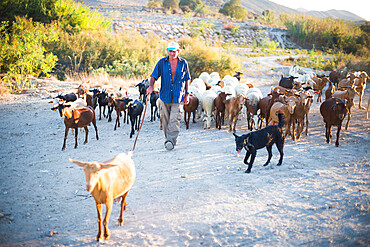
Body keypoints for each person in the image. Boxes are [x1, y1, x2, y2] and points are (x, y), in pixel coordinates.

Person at [146, 41, 191, 150]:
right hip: (165, 96)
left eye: (174, 51)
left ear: (178, 51)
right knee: (165, 119)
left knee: (174, 119)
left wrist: (187, 94)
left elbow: (187, 79)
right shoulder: (162, 62)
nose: (172, 53)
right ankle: (168, 139)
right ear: (167, 51)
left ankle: (171, 141)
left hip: (178, 96)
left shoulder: (183, 63)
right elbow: (153, 76)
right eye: (170, 51)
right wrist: (151, 86)